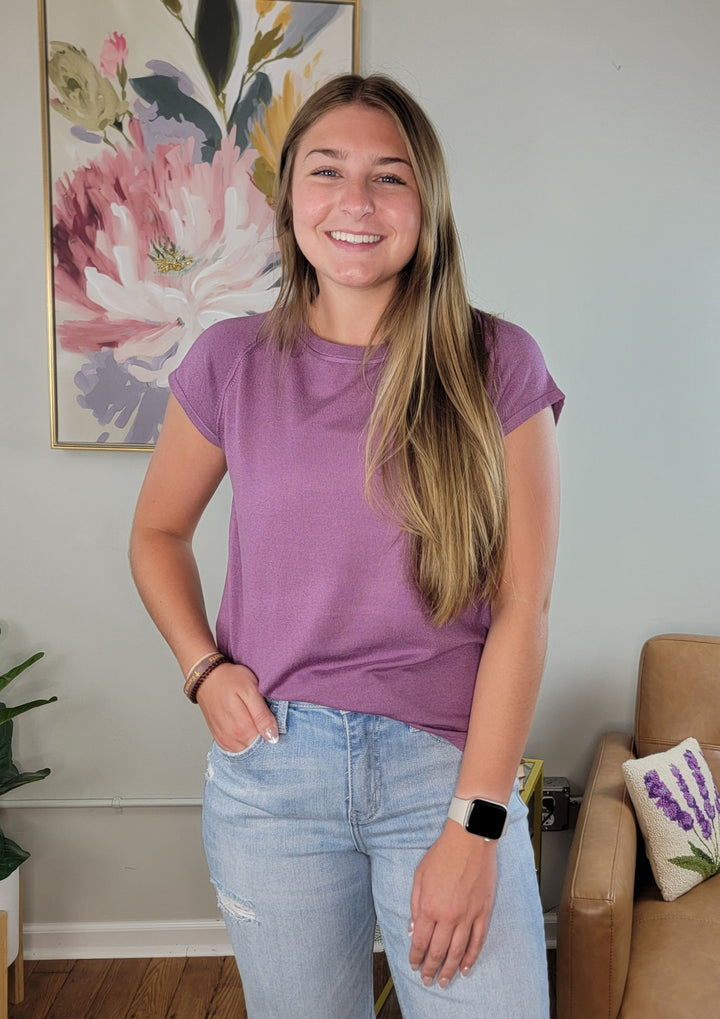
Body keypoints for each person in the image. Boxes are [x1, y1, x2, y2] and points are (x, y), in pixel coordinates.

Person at [130, 73, 563, 1018]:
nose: (356, 202)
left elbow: (524, 608)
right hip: (272, 773)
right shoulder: (229, 360)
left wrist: (476, 824)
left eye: (389, 177)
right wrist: (203, 667)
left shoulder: (497, 363)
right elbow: (157, 534)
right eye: (327, 171)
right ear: (290, 204)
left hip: (442, 773)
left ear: (427, 204)